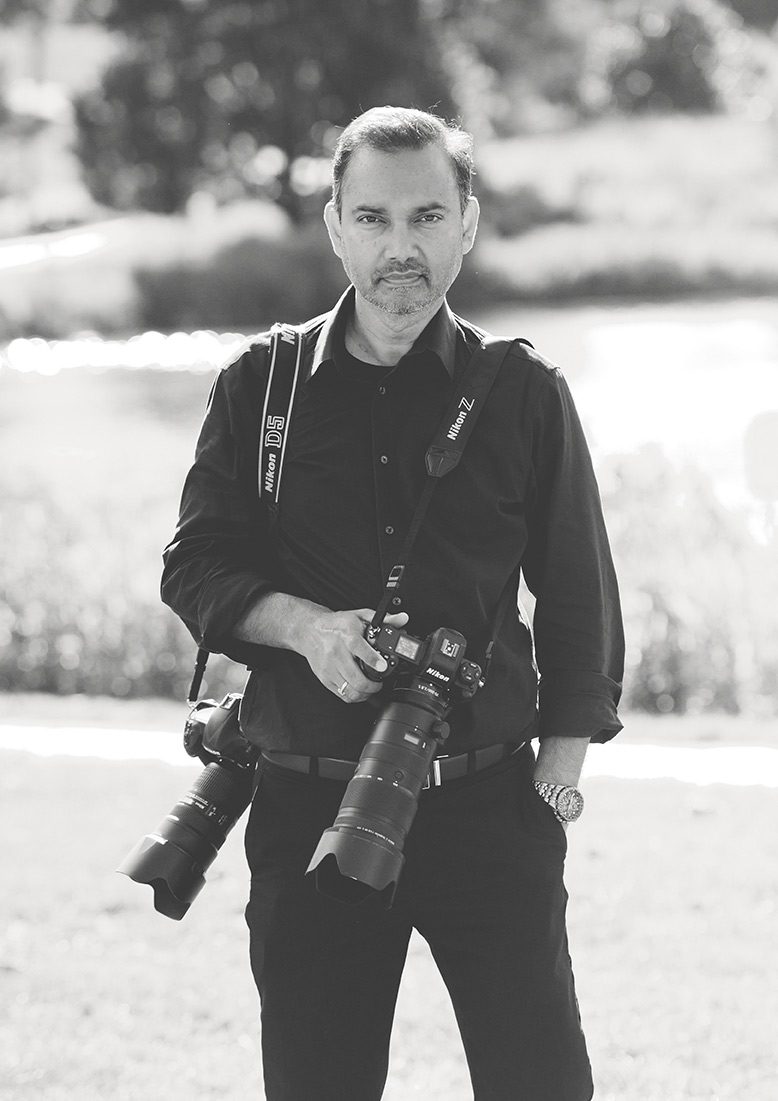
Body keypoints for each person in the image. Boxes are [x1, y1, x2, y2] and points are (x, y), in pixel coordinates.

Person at [161, 106, 624, 1101]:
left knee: (541, 1084)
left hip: (489, 809)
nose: (399, 247)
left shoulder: (526, 392)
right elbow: (194, 566)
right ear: (336, 227)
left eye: (426, 217)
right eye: (372, 218)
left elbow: (579, 597)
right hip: (304, 804)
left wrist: (553, 784)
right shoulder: (259, 387)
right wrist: (305, 630)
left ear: (467, 226)